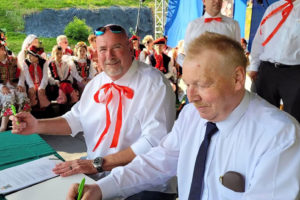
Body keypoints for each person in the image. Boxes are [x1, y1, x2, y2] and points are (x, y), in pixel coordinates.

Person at [66, 32, 300, 200]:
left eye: (202, 84)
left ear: (238, 79)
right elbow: (157, 162)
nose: (191, 96)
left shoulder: (278, 134)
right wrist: (102, 188)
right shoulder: (191, 116)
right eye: (187, 84)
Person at [11, 24, 177, 199]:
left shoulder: (154, 84)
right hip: (97, 170)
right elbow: (75, 119)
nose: (109, 56)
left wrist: (97, 164)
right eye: (103, 49)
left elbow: (153, 143)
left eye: (116, 47)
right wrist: (36, 125)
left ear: (130, 47)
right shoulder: (96, 83)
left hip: (144, 184)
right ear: (96, 52)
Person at [248, 0, 300, 122]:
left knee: (294, 117)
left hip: (295, 72)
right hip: (267, 70)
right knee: (261, 113)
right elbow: (259, 39)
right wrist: (254, 66)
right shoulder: (273, 9)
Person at [0, 41, 30, 132]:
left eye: (1, 49)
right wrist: (1, 87)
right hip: (2, 88)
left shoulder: (14, 60)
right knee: (8, 97)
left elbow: (21, 73)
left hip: (14, 85)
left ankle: (23, 122)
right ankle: (3, 126)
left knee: (22, 96)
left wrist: (20, 84)